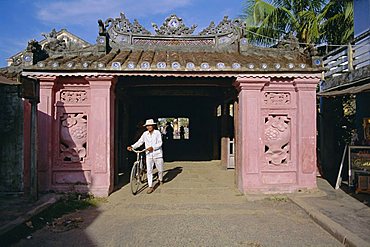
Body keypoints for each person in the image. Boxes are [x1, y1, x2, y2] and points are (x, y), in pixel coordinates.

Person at [127, 119, 164, 194]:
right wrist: (132, 146)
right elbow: (140, 142)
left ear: (153, 126)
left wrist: (153, 147)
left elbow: (160, 143)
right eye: (147, 126)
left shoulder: (157, 133)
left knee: (160, 169)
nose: (149, 127)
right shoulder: (145, 134)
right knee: (149, 170)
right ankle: (150, 186)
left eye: (150, 125)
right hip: (148, 154)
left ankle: (160, 179)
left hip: (157, 154)